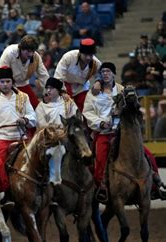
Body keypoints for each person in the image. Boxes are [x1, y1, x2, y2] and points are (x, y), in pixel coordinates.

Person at [83, 62, 166, 200]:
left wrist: (129, 105)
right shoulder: (93, 93)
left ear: (114, 74)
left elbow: (133, 110)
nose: (105, 74)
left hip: (122, 132)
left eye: (108, 71)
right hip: (103, 133)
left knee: (147, 154)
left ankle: (155, 185)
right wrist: (101, 123)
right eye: (103, 72)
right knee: (100, 159)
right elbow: (88, 112)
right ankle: (101, 187)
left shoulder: (122, 90)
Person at [0, 66, 36, 205]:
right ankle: (5, 192)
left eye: (8, 81)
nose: (5, 84)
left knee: (38, 157)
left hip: (21, 138)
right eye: (2, 82)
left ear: (12, 82)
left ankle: (42, 190)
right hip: (1, 137)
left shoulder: (23, 97)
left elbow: (33, 116)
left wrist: (25, 120)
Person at [0, 35, 49, 110]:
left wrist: (49, 91)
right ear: (21, 48)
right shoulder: (9, 52)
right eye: (28, 51)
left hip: (24, 84)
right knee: (8, 109)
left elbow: (44, 76)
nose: (30, 54)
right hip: (8, 86)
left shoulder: (36, 57)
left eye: (32, 51)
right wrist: (0, 92)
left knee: (37, 108)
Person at [54, 38, 101, 112]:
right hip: (65, 85)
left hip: (82, 87)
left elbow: (101, 74)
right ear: (80, 53)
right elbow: (58, 76)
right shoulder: (68, 57)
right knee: (66, 109)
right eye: (85, 55)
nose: (88, 58)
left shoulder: (96, 63)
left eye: (91, 55)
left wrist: (98, 81)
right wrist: (62, 92)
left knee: (86, 109)